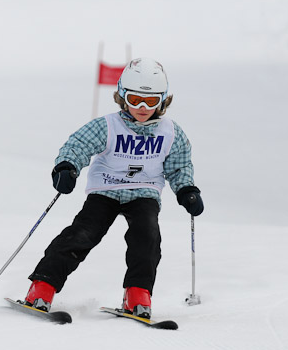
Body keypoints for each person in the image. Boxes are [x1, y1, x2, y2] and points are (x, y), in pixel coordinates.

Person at [23, 58, 204, 319]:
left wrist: (187, 190)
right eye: (134, 99)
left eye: (151, 101)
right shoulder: (107, 125)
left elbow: (179, 166)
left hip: (144, 192)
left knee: (147, 237)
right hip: (105, 190)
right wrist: (67, 167)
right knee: (82, 234)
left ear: (163, 101)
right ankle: (42, 287)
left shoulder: (171, 133)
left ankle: (137, 293)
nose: (142, 107)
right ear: (122, 96)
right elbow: (78, 145)